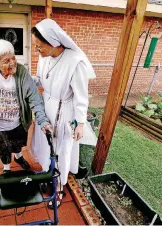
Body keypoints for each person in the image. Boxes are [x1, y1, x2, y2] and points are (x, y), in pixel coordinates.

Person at [30, 19, 95, 208]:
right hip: (46, 107)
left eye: (39, 46)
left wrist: (80, 123)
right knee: (45, 145)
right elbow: (42, 82)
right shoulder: (44, 57)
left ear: (53, 42)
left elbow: (81, 98)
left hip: (64, 111)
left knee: (60, 150)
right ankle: (46, 173)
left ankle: (58, 187)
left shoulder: (75, 62)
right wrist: (27, 81)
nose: (37, 50)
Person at [0, 39, 52, 174]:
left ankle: (18, 157)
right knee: (3, 149)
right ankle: (6, 168)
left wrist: (42, 120)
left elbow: (34, 97)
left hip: (18, 121)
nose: (12, 63)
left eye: (13, 58)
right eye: (6, 61)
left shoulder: (21, 71)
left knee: (18, 144)